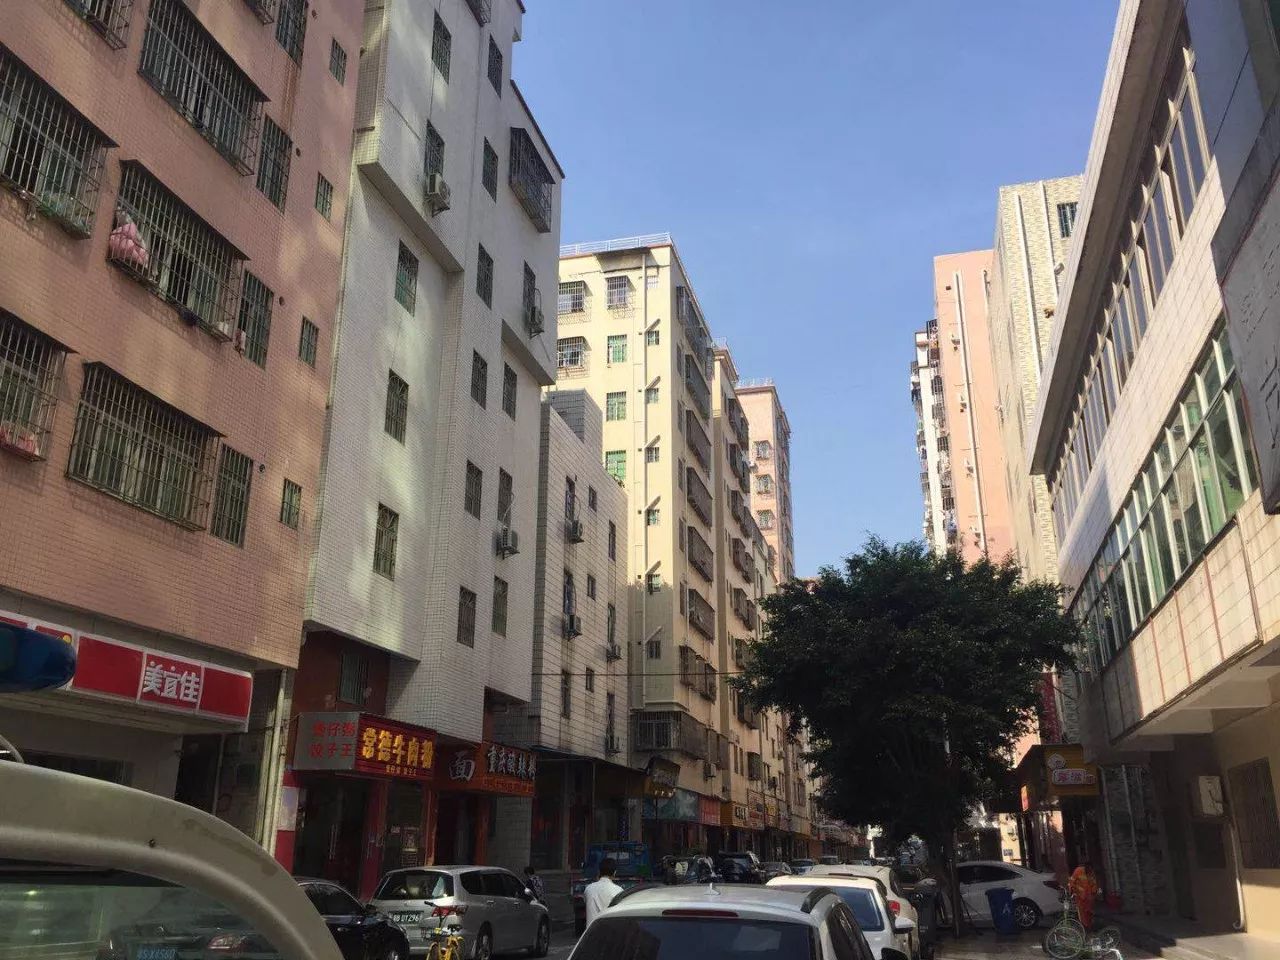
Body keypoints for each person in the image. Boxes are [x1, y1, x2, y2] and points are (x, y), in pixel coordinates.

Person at [582, 857, 623, 928]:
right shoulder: (619, 890)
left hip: (591, 931)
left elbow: (586, 901)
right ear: (614, 872)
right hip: (610, 931)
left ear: (599, 871)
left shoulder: (588, 889)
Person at [1068, 860, 1100, 931]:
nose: (1089, 871)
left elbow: (1094, 884)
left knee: (1089, 912)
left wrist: (1094, 893)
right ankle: (1084, 927)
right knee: (1082, 913)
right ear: (1085, 867)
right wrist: (1071, 892)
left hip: (1088, 898)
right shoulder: (1078, 871)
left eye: (1091, 869)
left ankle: (1089, 926)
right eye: (1088, 869)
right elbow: (1071, 881)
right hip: (1079, 896)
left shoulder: (1091, 873)